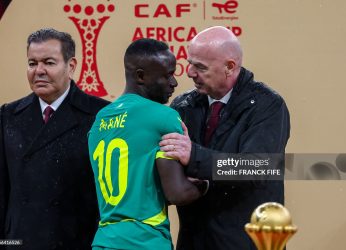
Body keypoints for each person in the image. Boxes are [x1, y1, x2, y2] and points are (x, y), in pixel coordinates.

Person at [159, 26, 291, 249]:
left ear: (230, 67)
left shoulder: (268, 105)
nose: (189, 72)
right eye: (190, 62)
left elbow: (255, 168)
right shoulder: (182, 106)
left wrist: (194, 157)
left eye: (200, 67)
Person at [88, 38, 208, 250]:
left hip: (104, 241)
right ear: (141, 76)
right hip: (146, 241)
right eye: (167, 75)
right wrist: (207, 182)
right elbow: (177, 193)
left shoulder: (99, 121)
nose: (174, 83)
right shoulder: (164, 117)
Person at [0, 28, 110, 249]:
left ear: (71, 66)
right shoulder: (7, 116)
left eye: (49, 63)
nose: (38, 71)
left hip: (79, 241)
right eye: (32, 63)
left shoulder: (100, 115)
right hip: (20, 241)